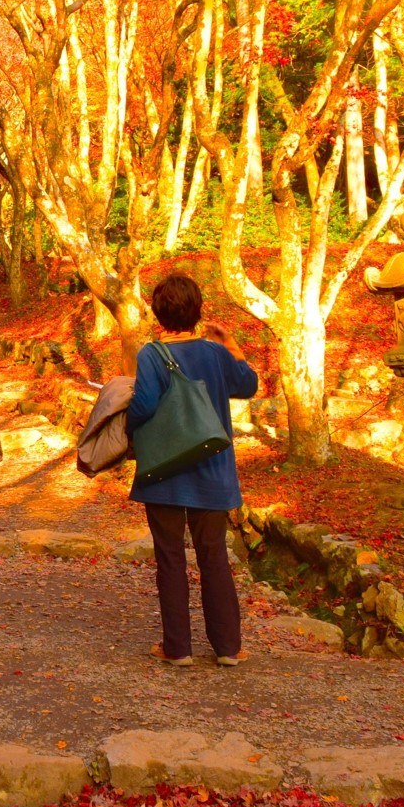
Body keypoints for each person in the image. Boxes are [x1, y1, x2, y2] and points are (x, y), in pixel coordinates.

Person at [127, 272, 258, 669]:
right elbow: (248, 385)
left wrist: (126, 424)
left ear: (157, 312)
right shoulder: (216, 355)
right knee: (214, 556)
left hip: (164, 474)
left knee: (170, 558)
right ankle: (227, 648)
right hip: (213, 473)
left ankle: (178, 648)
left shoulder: (152, 354)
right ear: (198, 311)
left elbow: (145, 405)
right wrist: (231, 345)